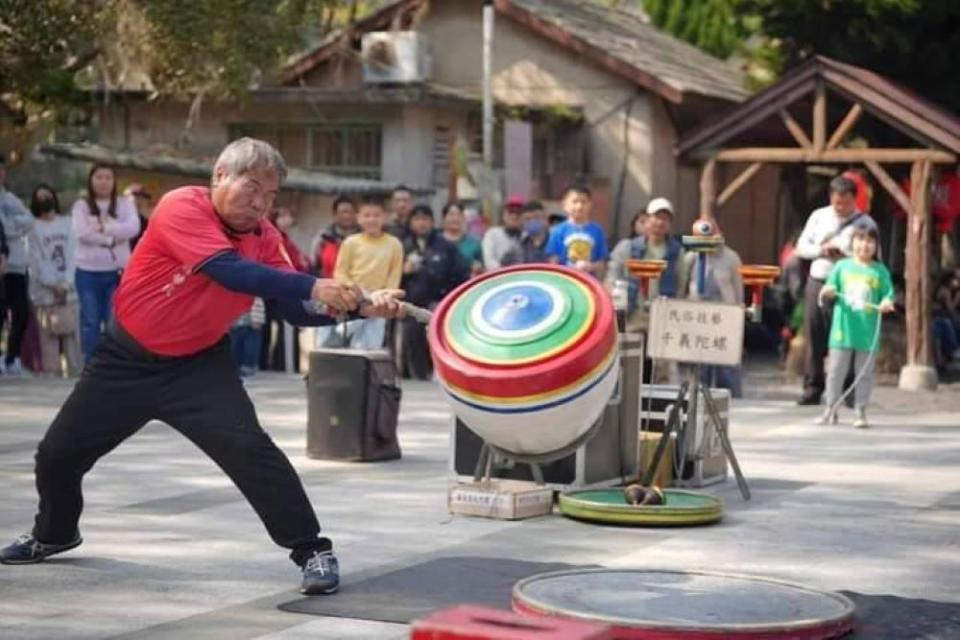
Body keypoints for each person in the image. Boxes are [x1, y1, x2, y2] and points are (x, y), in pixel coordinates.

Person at [0, 138, 405, 597]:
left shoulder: (266, 239)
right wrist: (317, 285)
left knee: (253, 453)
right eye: (252, 188)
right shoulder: (182, 206)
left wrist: (362, 308)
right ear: (219, 176)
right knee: (56, 456)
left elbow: (292, 309)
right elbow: (229, 271)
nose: (261, 204)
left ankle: (312, 549)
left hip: (198, 367)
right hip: (125, 361)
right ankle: (55, 532)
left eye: (271, 196)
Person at [794, 176, 878, 406]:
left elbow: (872, 256)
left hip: (850, 285)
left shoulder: (865, 223)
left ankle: (849, 389)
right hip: (820, 280)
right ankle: (813, 387)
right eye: (837, 203)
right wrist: (821, 250)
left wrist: (847, 255)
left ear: (854, 199)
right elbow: (801, 247)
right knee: (815, 336)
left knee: (849, 337)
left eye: (846, 203)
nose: (841, 208)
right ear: (831, 198)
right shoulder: (819, 217)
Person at [817, 225, 894, 428]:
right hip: (842, 328)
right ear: (853, 243)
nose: (864, 245)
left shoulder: (880, 271)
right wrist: (829, 291)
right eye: (860, 240)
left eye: (870, 241)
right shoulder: (842, 266)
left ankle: (860, 410)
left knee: (864, 372)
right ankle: (830, 408)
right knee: (835, 370)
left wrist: (887, 303)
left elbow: (888, 294)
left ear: (877, 246)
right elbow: (830, 286)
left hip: (867, 332)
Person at [71, 163, 140, 362]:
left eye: (108, 177)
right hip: (87, 272)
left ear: (114, 181)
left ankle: (112, 363)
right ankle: (91, 363)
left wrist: (106, 226)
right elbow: (82, 233)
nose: (103, 182)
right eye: (99, 177)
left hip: (116, 271)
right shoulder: (81, 206)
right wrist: (110, 239)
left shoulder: (124, 204)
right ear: (91, 180)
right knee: (90, 320)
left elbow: (133, 228)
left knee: (114, 321)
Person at [400, 204, 469, 379]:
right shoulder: (403, 246)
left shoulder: (445, 246)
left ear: (432, 222)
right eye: (417, 219)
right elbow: (393, 278)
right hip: (411, 307)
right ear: (411, 223)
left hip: (438, 306)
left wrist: (449, 300)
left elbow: (461, 274)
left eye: (425, 219)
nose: (421, 224)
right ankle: (418, 378)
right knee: (413, 344)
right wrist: (404, 271)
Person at [332, 197, 404, 349]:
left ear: (384, 217)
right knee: (340, 339)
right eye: (367, 215)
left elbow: (394, 276)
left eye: (376, 215)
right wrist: (356, 292)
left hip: (380, 300)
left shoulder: (394, 244)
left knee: (370, 347)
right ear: (358, 218)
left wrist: (384, 296)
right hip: (353, 298)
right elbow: (340, 273)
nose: (372, 219)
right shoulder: (351, 242)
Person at [683, 220, 744, 397]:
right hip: (698, 318)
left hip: (724, 317)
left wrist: (738, 315)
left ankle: (733, 403)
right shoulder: (691, 258)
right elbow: (683, 285)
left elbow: (738, 289)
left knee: (727, 370)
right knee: (700, 370)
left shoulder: (731, 258)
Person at [27, 184, 82, 377]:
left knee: (72, 339)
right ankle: (51, 379)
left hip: (70, 291)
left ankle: (75, 376)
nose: (44, 199)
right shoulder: (31, 227)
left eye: (47, 195)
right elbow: (35, 260)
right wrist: (53, 284)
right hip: (44, 294)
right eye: (40, 196)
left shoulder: (68, 223)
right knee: (48, 339)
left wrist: (66, 282)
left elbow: (72, 253)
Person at [261, 206, 312, 372]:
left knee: (284, 330)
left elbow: (300, 263)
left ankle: (282, 365)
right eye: (282, 217)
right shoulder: (272, 237)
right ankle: (280, 365)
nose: (286, 220)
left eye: (288, 217)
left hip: (283, 289)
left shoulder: (286, 240)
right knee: (270, 330)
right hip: (276, 290)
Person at [0, 152, 35, 375]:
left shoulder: (10, 199)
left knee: (21, 312)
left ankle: (12, 358)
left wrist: (6, 226)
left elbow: (28, 220)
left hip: (15, 264)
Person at [311, 195, 359, 348]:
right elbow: (314, 266)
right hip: (327, 297)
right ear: (334, 215)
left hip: (356, 296)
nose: (346, 216)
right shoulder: (323, 238)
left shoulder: (364, 238)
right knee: (324, 343)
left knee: (354, 346)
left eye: (350, 212)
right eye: (342, 212)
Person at [546, 185, 609, 278]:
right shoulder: (558, 230)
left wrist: (590, 267)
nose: (579, 206)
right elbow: (553, 260)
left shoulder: (597, 230)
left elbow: (602, 262)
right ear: (565, 205)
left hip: (588, 281)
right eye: (575, 202)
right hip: (565, 280)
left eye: (583, 202)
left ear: (590, 205)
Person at [605, 209, 650, 292]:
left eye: (649, 222)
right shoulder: (625, 245)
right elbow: (613, 272)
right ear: (634, 225)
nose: (646, 226)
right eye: (642, 222)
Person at [502, 200, 550, 266]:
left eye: (536, 217)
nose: (532, 221)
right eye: (527, 219)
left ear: (545, 219)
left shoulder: (556, 244)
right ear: (523, 222)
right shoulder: (517, 248)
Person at [481, 196, 524, 270]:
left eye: (518, 213)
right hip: (499, 278)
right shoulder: (492, 234)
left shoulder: (526, 236)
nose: (514, 216)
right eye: (510, 212)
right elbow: (489, 262)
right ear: (503, 215)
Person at [441, 202, 483, 276]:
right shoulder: (435, 241)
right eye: (451, 215)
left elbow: (482, 268)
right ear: (444, 218)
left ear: (463, 218)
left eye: (459, 214)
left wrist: (478, 268)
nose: (455, 218)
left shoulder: (474, 243)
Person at [230, 297, 265, 378]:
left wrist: (258, 319)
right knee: (236, 346)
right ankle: (238, 367)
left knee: (251, 346)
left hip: (251, 321)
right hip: (236, 322)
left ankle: (249, 367)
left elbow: (258, 301)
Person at [124, 183, 153, 252]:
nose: (140, 200)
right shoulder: (117, 217)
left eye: (143, 197)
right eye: (136, 195)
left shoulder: (146, 223)